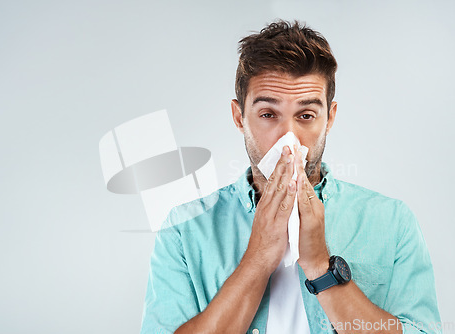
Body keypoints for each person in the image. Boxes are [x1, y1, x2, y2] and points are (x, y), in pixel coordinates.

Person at [140, 20, 441, 334]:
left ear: (330, 118)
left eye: (306, 115)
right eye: (268, 115)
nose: (289, 139)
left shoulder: (392, 221)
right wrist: (257, 258)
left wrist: (321, 267)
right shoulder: (185, 229)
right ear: (239, 117)